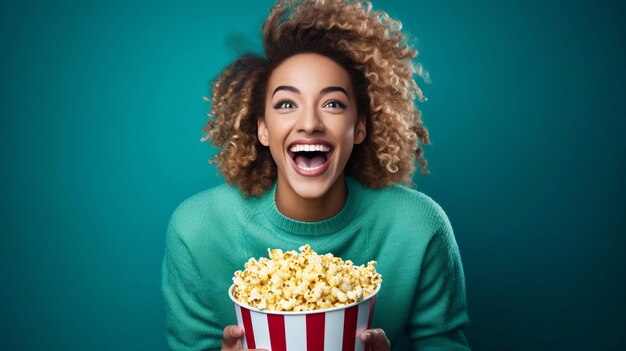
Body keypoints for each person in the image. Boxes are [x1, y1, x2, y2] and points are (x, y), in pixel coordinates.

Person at [161, 0, 471, 350]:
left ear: (360, 128)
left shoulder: (418, 228)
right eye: (286, 104)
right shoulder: (198, 231)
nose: (309, 123)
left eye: (333, 104)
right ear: (262, 129)